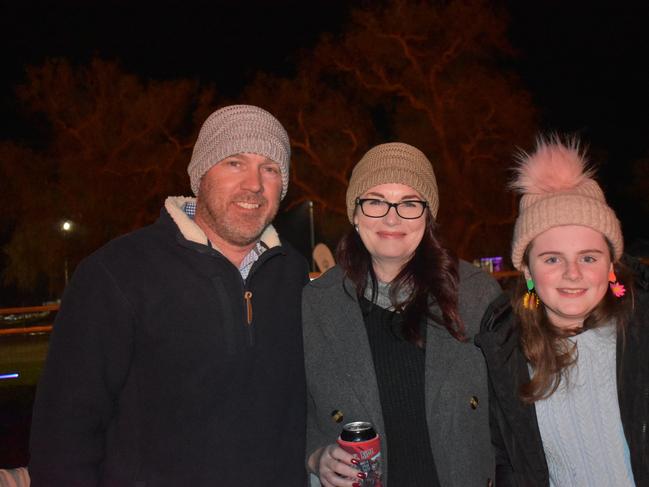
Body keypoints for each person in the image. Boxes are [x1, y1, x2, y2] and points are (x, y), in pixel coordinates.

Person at [29, 105, 310, 486]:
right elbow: (65, 433)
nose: (254, 184)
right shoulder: (116, 273)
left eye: (271, 169)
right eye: (234, 163)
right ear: (200, 175)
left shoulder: (294, 275)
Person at [302, 142, 502, 486]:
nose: (391, 217)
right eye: (376, 201)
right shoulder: (316, 304)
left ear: (428, 215)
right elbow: (291, 409)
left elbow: (511, 417)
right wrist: (315, 456)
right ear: (355, 213)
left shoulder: (476, 294)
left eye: (409, 203)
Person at [476, 137, 649, 485]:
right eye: (552, 258)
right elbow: (506, 461)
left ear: (611, 265)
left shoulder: (641, 335)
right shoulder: (505, 350)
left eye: (588, 257)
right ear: (527, 272)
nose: (573, 273)